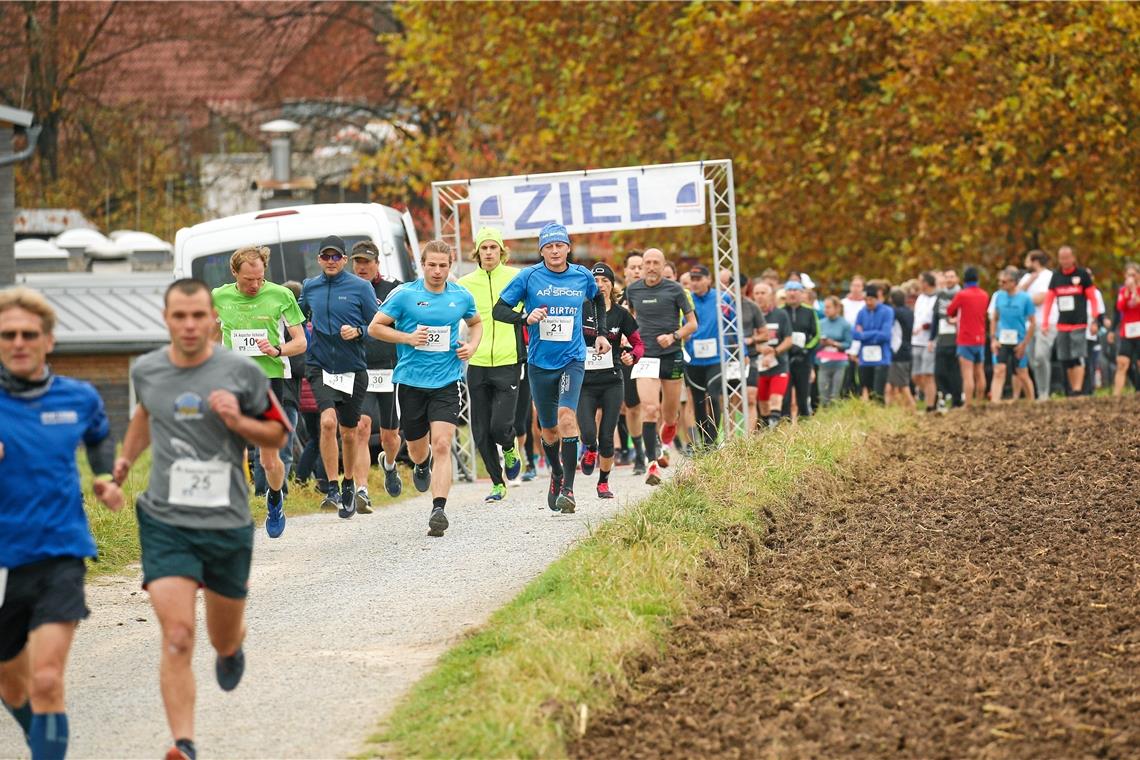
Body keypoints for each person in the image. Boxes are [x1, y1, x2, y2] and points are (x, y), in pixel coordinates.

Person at [115, 279, 290, 760]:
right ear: (166, 319)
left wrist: (238, 423)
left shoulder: (242, 371)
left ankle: (231, 650)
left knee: (221, 634)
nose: (189, 325)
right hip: (165, 518)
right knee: (176, 635)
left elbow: (277, 434)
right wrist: (124, 464)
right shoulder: (148, 370)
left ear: (213, 318)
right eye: (179, 316)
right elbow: (144, 417)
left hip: (226, 520)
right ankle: (184, 743)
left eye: (198, 315)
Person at [0, 287, 124, 760]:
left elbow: (98, 436)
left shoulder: (78, 396)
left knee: (48, 679)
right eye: (7, 334)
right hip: (2, 559)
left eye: (28, 334)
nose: (18, 342)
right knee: (13, 686)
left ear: (48, 340)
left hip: (59, 553)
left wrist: (102, 477)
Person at [492, 223, 610, 511]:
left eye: (560, 245)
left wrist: (601, 333)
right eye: (549, 246)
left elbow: (598, 299)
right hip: (540, 363)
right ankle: (556, 472)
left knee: (567, 417)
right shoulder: (529, 277)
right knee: (548, 430)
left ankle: (568, 490)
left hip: (573, 358)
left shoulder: (582, 275)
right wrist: (525, 317)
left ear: (568, 248)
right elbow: (499, 310)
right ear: (541, 250)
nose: (555, 251)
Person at [368, 240, 481, 536]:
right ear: (423, 264)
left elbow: (477, 322)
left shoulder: (461, 296)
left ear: (451, 266)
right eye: (432, 265)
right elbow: (375, 327)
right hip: (410, 382)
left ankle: (438, 509)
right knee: (419, 449)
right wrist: (407, 338)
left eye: (443, 266)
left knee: (443, 443)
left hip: (447, 380)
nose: (437, 271)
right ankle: (419, 465)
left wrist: (471, 345)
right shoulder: (405, 295)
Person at [211, 245, 307, 537]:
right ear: (234, 273)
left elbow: (301, 342)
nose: (254, 285)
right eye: (247, 280)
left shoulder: (281, 295)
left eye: (259, 279)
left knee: (268, 459)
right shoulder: (218, 296)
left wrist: (277, 350)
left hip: (270, 381)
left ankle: (275, 498)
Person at [299, 235, 380, 518]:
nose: (331, 261)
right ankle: (331, 487)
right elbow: (294, 318)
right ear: (319, 260)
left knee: (349, 432)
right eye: (326, 256)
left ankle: (348, 483)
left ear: (344, 260)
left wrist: (358, 331)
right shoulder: (310, 287)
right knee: (327, 422)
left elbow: (378, 325)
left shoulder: (361, 287)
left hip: (352, 368)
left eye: (336, 257)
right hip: (319, 366)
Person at [456, 226, 525, 502]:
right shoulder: (464, 283)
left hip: (508, 359)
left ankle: (509, 447)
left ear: (501, 251)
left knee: (500, 426)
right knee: (480, 430)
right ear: (477, 252)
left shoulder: (516, 277)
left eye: (493, 247)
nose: (488, 252)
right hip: (478, 360)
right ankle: (497, 483)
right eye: (484, 248)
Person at [623, 248, 696, 485]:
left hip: (671, 354)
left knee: (670, 415)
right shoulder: (633, 290)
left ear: (663, 265)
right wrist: (627, 338)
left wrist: (674, 336)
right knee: (650, 409)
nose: (651, 266)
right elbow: (629, 319)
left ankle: (667, 437)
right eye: (648, 262)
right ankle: (652, 464)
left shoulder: (675, 290)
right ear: (642, 266)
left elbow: (692, 324)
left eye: (656, 262)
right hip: (645, 356)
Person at [578, 263, 643, 497]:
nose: (600, 285)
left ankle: (603, 482)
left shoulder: (620, 314)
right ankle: (590, 448)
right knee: (587, 433)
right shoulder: (581, 309)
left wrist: (631, 356)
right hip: (584, 381)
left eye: (605, 281)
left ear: (612, 285)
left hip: (612, 381)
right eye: (595, 281)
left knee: (607, 435)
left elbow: (638, 344)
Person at [349, 240, 403, 509]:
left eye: (366, 262)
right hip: (360, 369)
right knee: (361, 427)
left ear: (377, 264)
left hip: (390, 369)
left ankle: (389, 463)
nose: (361, 267)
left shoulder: (393, 288)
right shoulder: (346, 289)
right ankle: (361, 490)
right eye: (357, 262)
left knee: (389, 437)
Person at [682, 264, 732, 446]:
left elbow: (734, 325)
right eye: (692, 280)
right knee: (698, 401)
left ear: (709, 280)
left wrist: (742, 351)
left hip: (716, 359)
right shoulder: (686, 300)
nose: (695, 283)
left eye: (699, 279)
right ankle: (704, 441)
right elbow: (680, 325)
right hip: (693, 359)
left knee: (713, 395)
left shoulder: (722, 298)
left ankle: (713, 439)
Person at [1041, 246, 1100, 396]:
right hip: (1062, 325)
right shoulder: (1056, 276)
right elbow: (1048, 300)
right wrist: (1045, 322)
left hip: (1079, 323)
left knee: (1078, 356)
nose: (1064, 261)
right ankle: (1072, 390)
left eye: (1067, 258)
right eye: (1061, 258)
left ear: (1073, 258)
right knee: (1066, 359)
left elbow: (1093, 298)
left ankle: (1077, 389)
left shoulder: (1082, 275)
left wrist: (1095, 320)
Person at [988, 266, 1036, 402]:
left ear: (1013, 282)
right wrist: (993, 339)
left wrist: (1024, 343)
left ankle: (1031, 401)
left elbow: (1032, 322)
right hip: (1002, 340)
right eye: (1000, 281)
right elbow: (994, 318)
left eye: (1004, 282)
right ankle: (995, 403)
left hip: (1019, 341)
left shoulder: (1025, 298)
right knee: (999, 370)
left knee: (1022, 372)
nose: (1000, 284)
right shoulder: (999, 296)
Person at [619, 250, 647, 472]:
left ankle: (655, 445)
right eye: (633, 267)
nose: (637, 270)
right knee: (632, 406)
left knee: (651, 405)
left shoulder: (654, 296)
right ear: (626, 271)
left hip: (654, 354)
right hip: (629, 356)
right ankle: (638, 451)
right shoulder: (619, 300)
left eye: (641, 266)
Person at [946, 266, 989, 406]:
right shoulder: (984, 295)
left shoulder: (962, 295)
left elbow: (950, 311)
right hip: (980, 338)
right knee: (980, 372)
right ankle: (979, 400)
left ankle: (968, 404)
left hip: (965, 339)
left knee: (967, 374)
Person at [753, 281, 793, 427]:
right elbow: (745, 339)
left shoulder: (781, 314)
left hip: (779, 365)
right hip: (759, 366)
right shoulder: (751, 314)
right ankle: (766, 436)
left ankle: (774, 430)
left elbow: (789, 340)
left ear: (770, 296)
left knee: (776, 400)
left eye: (763, 293)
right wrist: (760, 349)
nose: (759, 296)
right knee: (763, 406)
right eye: (756, 293)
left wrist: (775, 352)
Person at [1017, 250, 1055, 399]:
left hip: (1046, 322)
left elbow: (1041, 299)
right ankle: (1041, 391)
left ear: (1035, 261)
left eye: (1027, 259)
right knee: (1033, 360)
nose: (1025, 262)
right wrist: (1029, 282)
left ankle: (1044, 393)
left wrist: (1024, 300)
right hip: (1029, 325)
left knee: (1041, 356)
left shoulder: (1048, 276)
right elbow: (1016, 294)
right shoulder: (1027, 277)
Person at [781, 280, 819, 419]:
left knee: (803, 398)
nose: (792, 293)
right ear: (785, 293)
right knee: (785, 399)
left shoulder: (809, 312)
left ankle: (805, 430)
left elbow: (817, 335)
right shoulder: (780, 311)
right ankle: (784, 430)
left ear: (802, 294)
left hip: (803, 360)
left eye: (795, 290)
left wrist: (805, 349)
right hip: (784, 359)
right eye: (789, 290)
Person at [854, 283, 894, 402]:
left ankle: (879, 416)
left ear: (877, 299)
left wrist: (865, 335)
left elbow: (886, 335)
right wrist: (875, 333)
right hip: (865, 360)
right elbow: (855, 334)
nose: (868, 302)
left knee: (878, 392)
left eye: (871, 299)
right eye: (866, 300)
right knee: (867, 390)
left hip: (881, 359)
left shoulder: (887, 311)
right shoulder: (862, 312)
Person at [931, 271, 963, 410]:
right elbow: (935, 317)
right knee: (939, 371)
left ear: (956, 279)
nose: (949, 279)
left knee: (955, 371)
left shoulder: (961, 294)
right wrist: (931, 339)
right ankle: (944, 395)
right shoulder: (940, 294)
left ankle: (957, 400)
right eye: (947, 277)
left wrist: (957, 321)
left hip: (957, 339)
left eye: (952, 277)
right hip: (942, 338)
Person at [816, 295, 851, 406]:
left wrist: (835, 344)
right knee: (823, 395)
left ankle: (835, 420)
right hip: (823, 363)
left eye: (828, 307)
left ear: (837, 308)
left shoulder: (845, 324)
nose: (825, 310)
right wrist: (821, 343)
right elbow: (815, 343)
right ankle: (824, 420)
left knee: (835, 395)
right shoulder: (820, 323)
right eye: (825, 307)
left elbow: (848, 344)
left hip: (839, 364)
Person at [911, 272, 939, 411]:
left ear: (926, 283)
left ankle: (930, 405)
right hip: (916, 340)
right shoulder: (920, 298)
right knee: (916, 375)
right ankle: (932, 395)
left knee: (928, 374)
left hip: (929, 341)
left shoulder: (937, 298)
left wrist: (925, 327)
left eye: (920, 281)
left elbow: (936, 320)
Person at [886, 288, 916, 410]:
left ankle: (912, 408)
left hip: (897, 352)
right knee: (896, 384)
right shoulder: (909, 311)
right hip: (907, 350)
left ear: (891, 300)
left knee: (903, 385)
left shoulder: (894, 313)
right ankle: (900, 409)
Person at [1113, 263, 1140, 396]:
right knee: (1122, 362)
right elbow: (1120, 307)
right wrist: (1128, 291)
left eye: (1133, 275)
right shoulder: (1123, 291)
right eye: (1128, 275)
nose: (1130, 278)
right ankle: (1116, 396)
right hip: (1127, 332)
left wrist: (1135, 290)